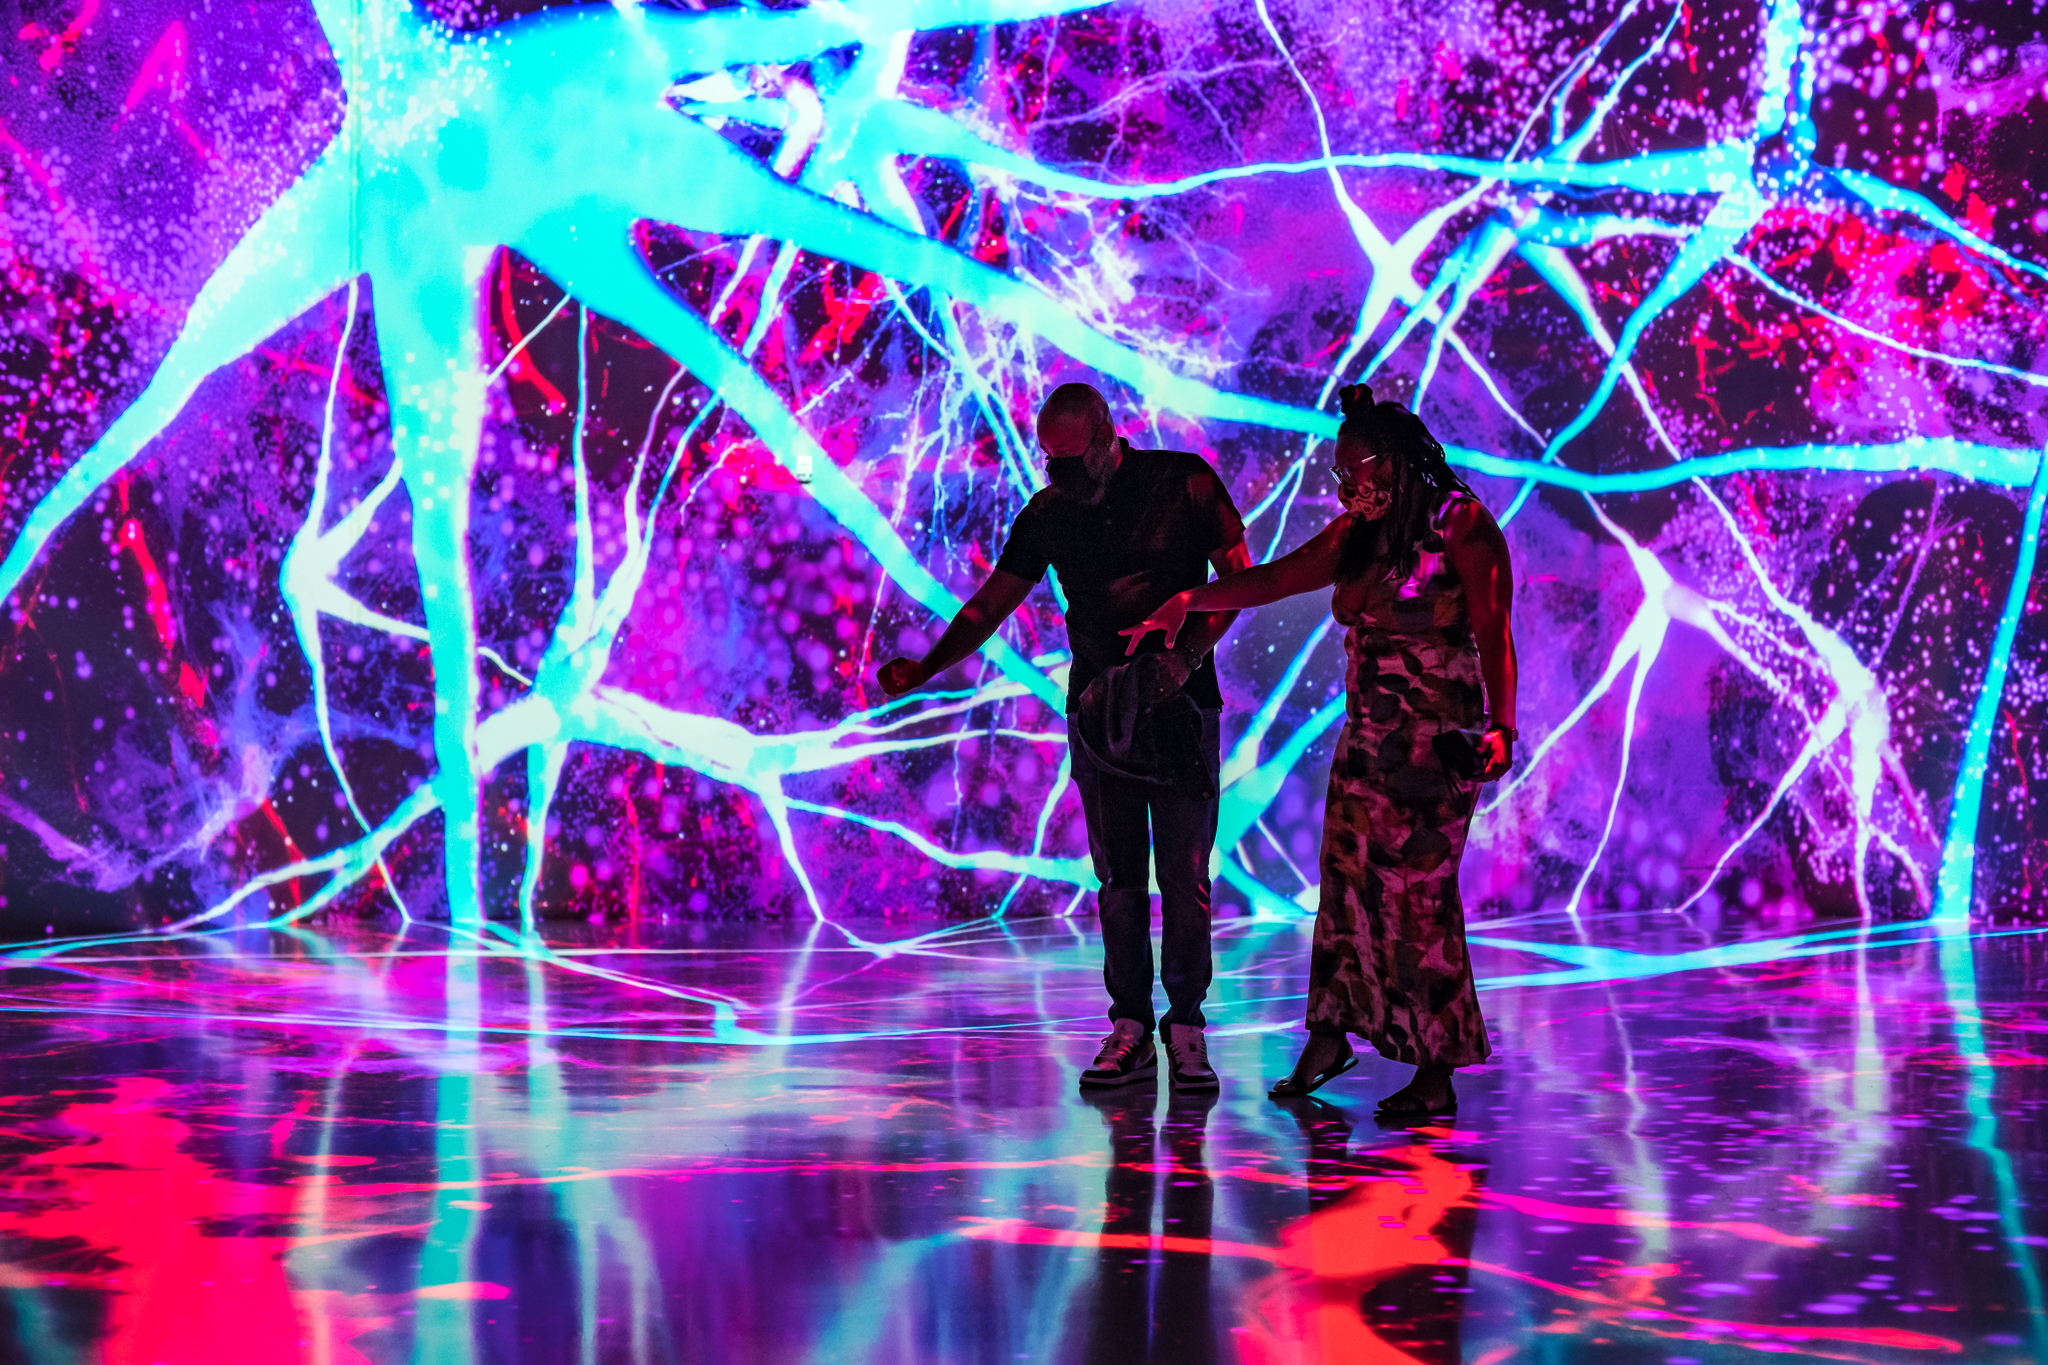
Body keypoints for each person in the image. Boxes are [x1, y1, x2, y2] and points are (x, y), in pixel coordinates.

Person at [1121, 383, 1517, 1117]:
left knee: (1419, 902)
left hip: (1437, 750)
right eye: (1339, 474)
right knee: (1346, 893)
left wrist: (1504, 726)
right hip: (1367, 746)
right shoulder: (1354, 538)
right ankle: (1330, 1035)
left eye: (1357, 470)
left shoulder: (1461, 525)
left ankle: (1436, 1072)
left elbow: (1495, 631)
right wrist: (1188, 600)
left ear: (1395, 463)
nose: (1346, 485)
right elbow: (1269, 580)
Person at [877, 382, 1252, 1091]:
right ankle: (1132, 1026)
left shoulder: (1185, 481)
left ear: (1111, 432)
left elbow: (1240, 578)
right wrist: (928, 667)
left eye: (1077, 459)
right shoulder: (1050, 513)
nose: (1066, 475)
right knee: (1118, 879)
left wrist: (1184, 658)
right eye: (1054, 462)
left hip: (1182, 709)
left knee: (1183, 876)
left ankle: (1189, 1026)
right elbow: (992, 602)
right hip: (1101, 713)